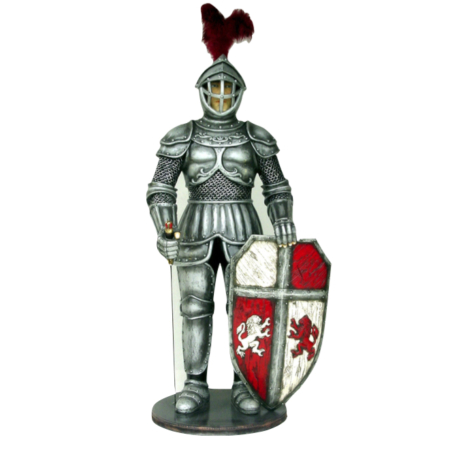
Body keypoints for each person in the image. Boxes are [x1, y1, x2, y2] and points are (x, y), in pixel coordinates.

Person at [146, 5, 296, 415]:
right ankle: (195, 384)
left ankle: (244, 383)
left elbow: (276, 186)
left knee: (247, 308)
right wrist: (166, 229)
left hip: (245, 230)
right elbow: (161, 188)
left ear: (239, 92)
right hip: (194, 227)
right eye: (215, 89)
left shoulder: (255, 136)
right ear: (203, 90)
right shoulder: (183, 135)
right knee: (194, 307)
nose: (221, 95)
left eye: (228, 89)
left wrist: (283, 219)